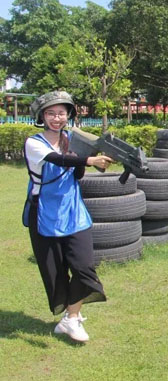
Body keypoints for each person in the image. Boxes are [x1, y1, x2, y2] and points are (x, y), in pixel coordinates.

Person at [22, 90, 113, 342]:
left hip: (73, 211)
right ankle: (69, 318)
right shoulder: (34, 143)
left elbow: (77, 174)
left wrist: (92, 158)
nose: (56, 118)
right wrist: (89, 159)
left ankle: (72, 319)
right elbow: (58, 160)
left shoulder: (72, 140)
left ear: (68, 115)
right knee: (55, 273)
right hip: (44, 213)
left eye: (61, 113)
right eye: (51, 113)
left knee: (84, 268)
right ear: (42, 116)